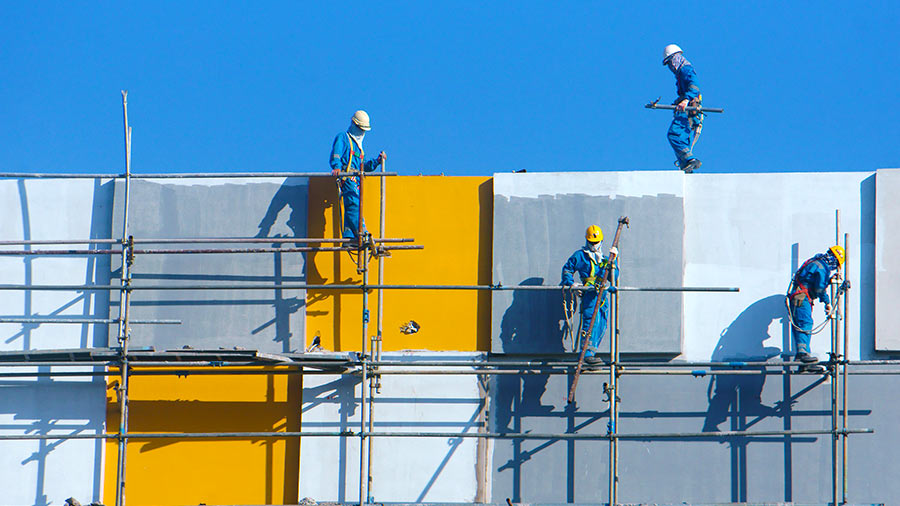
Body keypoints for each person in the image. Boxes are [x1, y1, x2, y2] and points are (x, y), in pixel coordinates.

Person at [561, 225, 619, 365]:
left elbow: (614, 276)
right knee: (590, 323)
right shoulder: (580, 255)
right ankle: (586, 354)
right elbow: (567, 270)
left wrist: (614, 261)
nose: (594, 245)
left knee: (601, 324)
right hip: (590, 294)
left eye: (596, 242)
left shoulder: (605, 258)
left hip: (602, 294)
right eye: (591, 242)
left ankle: (591, 353)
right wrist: (571, 284)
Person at [330, 110, 386, 242]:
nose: (362, 133)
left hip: (356, 180)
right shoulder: (343, 138)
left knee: (353, 205)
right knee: (354, 204)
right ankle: (362, 232)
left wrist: (377, 162)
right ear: (354, 124)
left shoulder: (359, 147)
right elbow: (336, 154)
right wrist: (336, 166)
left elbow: (363, 166)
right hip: (347, 177)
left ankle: (350, 236)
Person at [787, 246, 845, 372]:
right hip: (801, 297)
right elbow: (819, 288)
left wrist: (828, 281)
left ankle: (805, 363)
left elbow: (816, 282)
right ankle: (802, 354)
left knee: (802, 324)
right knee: (805, 323)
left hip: (800, 297)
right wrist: (827, 302)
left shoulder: (816, 262)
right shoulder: (821, 267)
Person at [662, 44, 702, 173]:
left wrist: (685, 100)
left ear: (675, 58)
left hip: (688, 108)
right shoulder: (680, 74)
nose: (670, 67)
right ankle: (686, 167)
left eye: (670, 63)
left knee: (674, 134)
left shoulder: (686, 69)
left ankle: (690, 160)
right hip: (686, 108)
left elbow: (695, 86)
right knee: (682, 137)